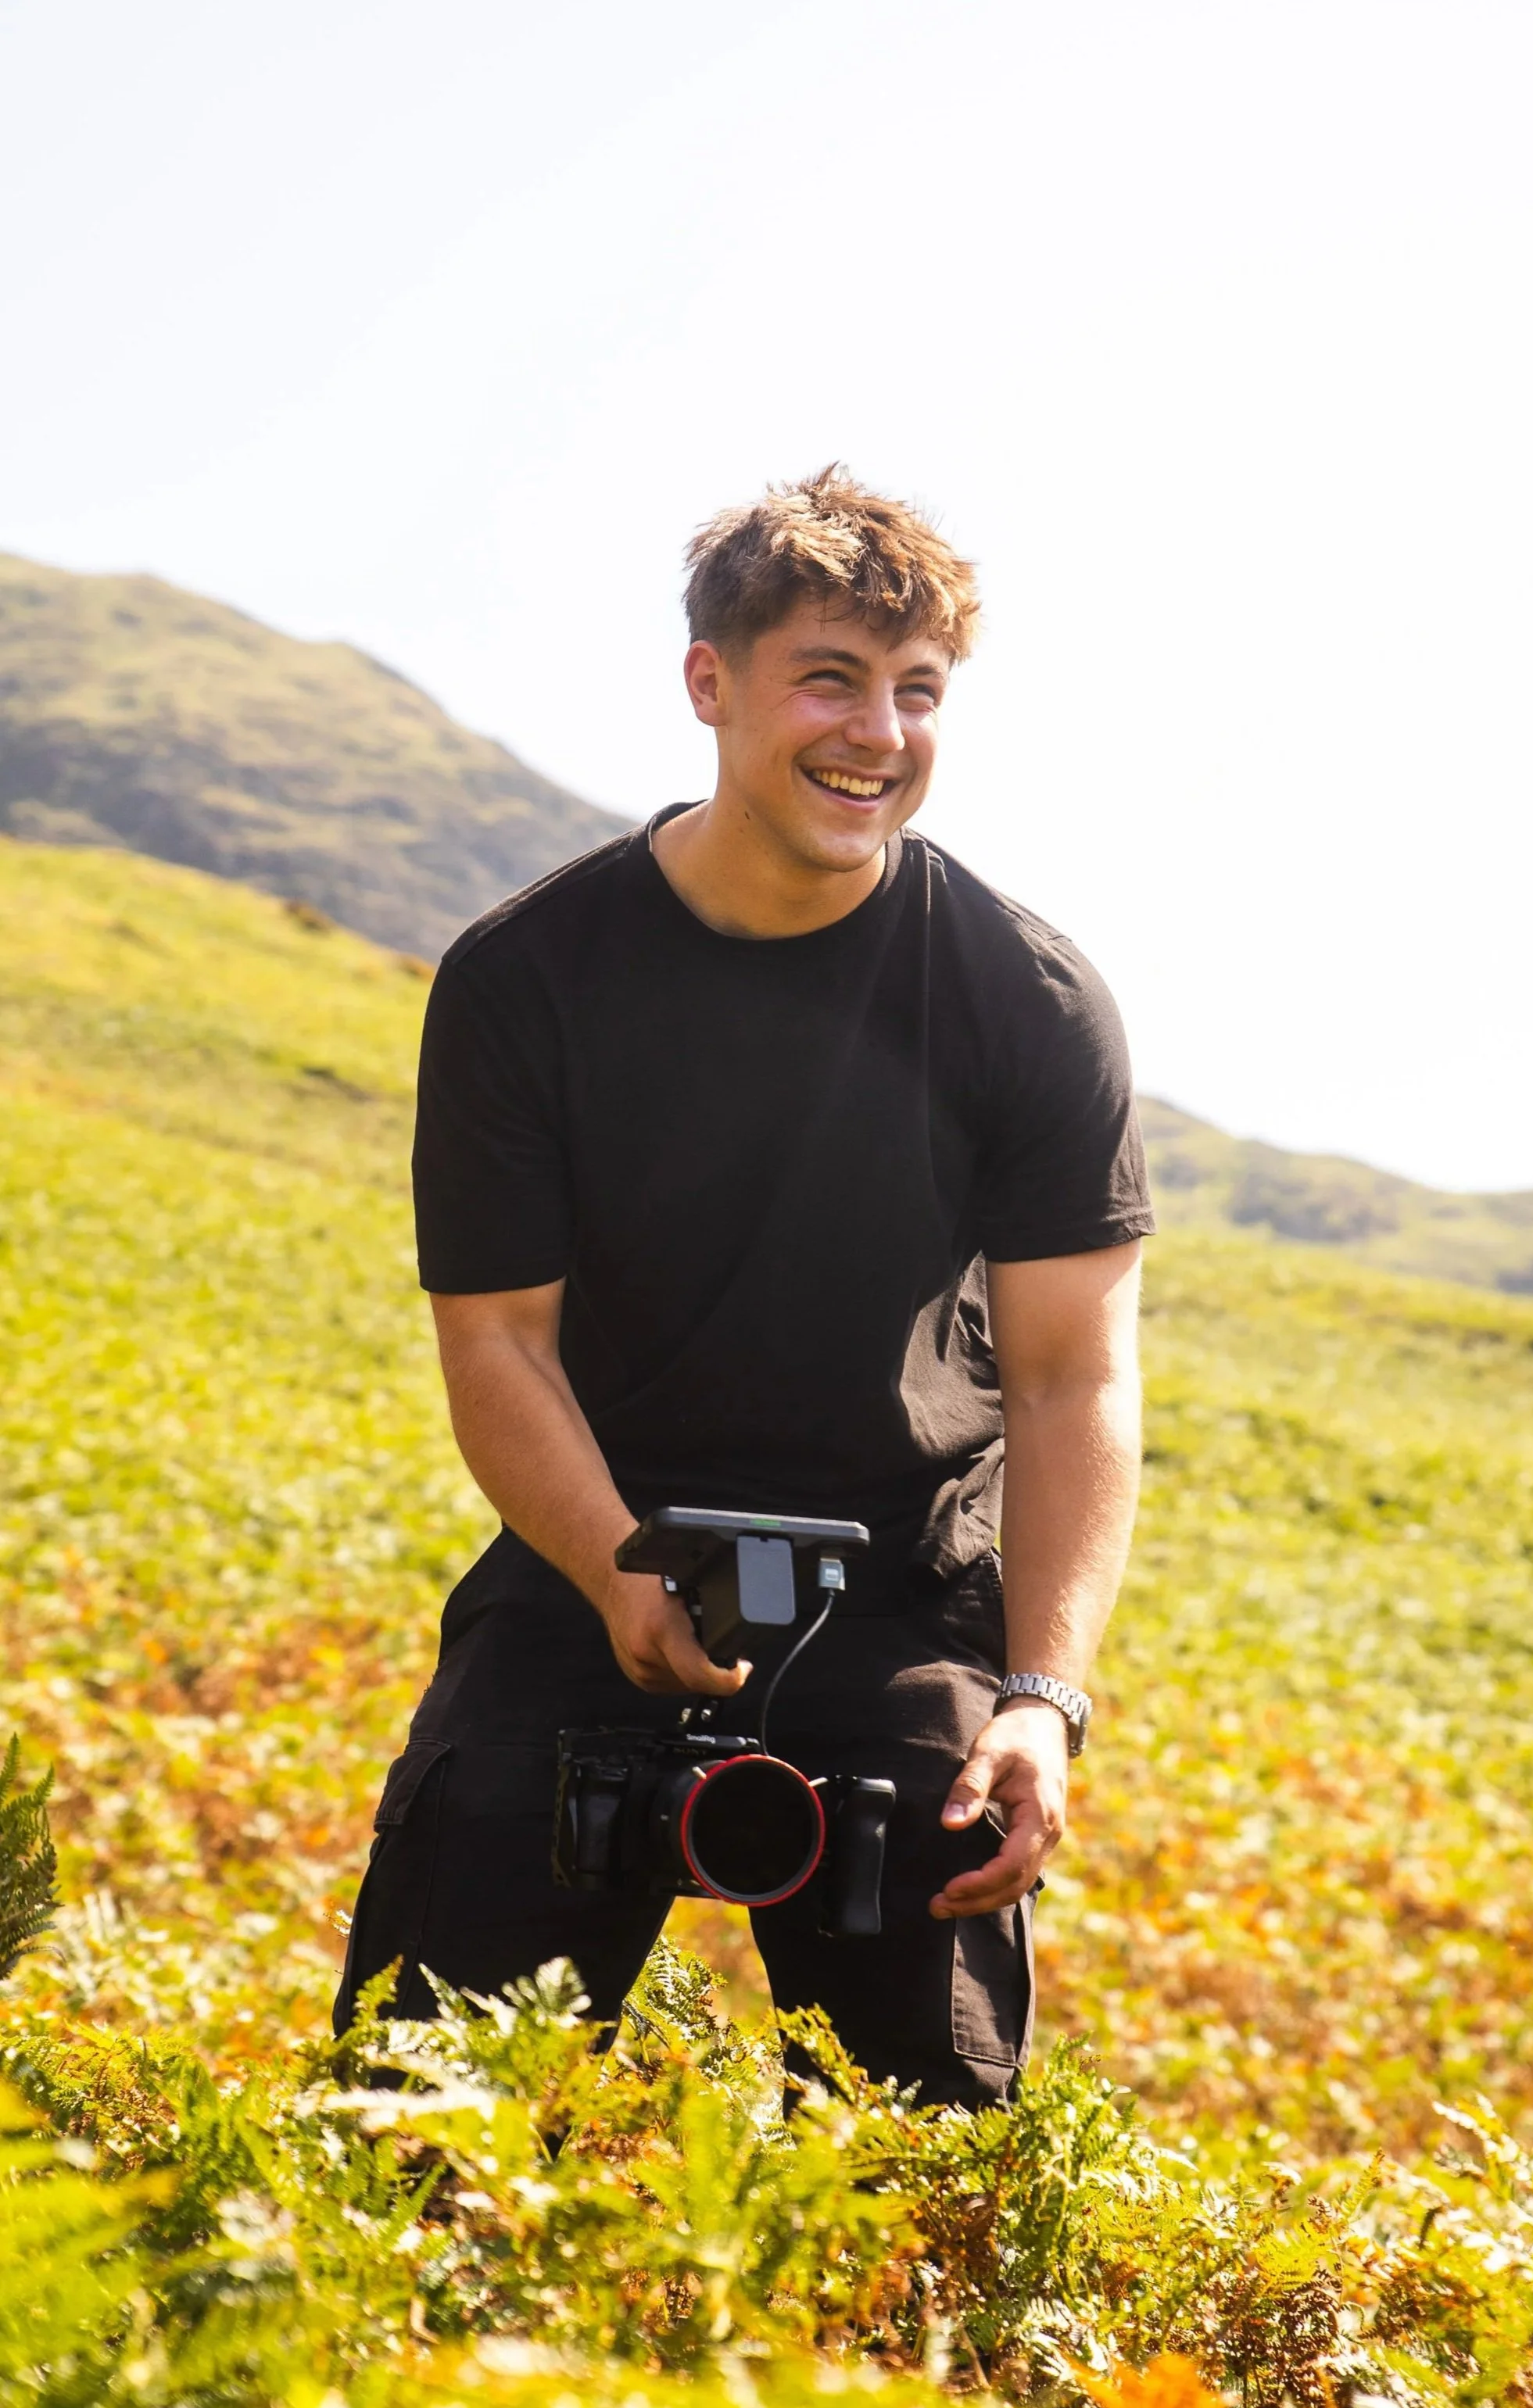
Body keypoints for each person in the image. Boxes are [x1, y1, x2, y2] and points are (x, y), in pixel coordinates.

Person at [335, 466, 1152, 2106]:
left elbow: (1073, 1378)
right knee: (412, 2116)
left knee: (920, 2157)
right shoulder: (526, 978)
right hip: (599, 1566)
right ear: (710, 683)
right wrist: (615, 1573)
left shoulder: (1032, 998)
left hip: (905, 1594)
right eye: (830, 679)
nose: (881, 734)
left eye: (919, 690)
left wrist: (1042, 1701)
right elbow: (498, 1347)